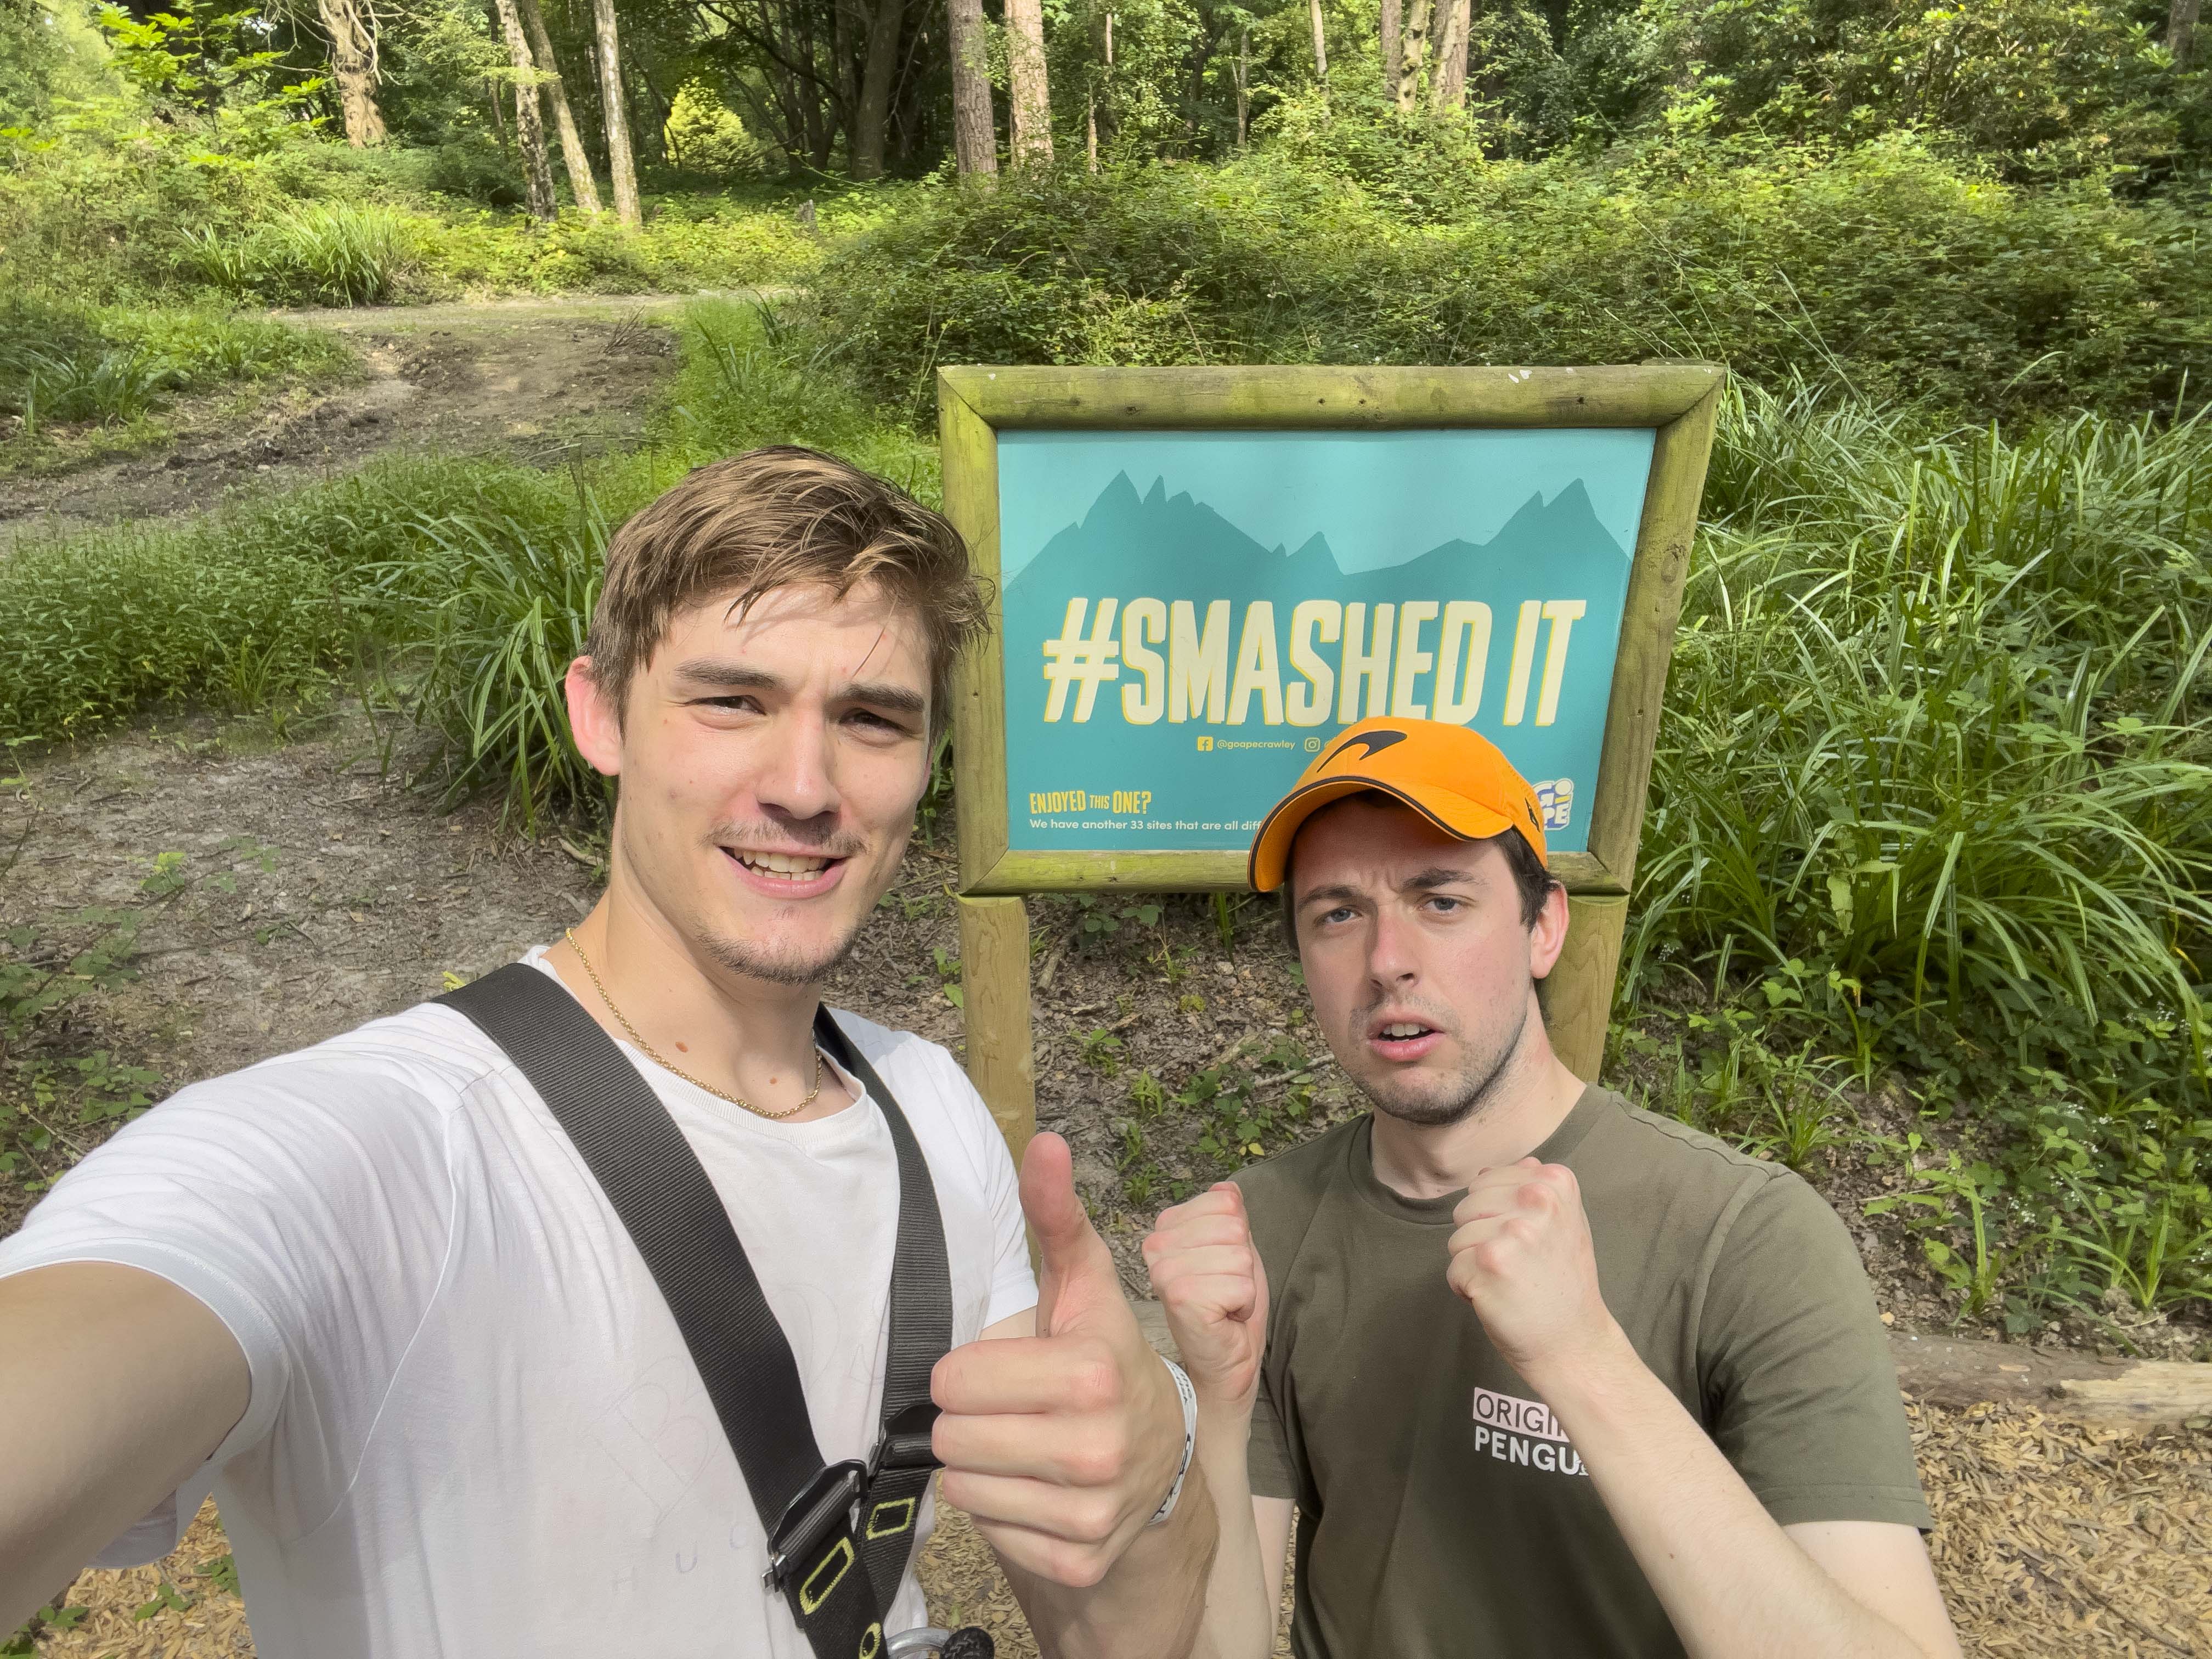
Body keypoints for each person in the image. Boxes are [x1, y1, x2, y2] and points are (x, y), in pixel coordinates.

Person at [0, 448, 1213, 1658]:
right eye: (732, 700)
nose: (805, 785)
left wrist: (1157, 1477)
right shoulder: (375, 1150)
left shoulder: (933, 1110)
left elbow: (1114, 1632)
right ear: (600, 713)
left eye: (872, 718)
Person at [1144, 716, 1962, 1658]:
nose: (1386, 960)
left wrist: (1584, 1357)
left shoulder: (1744, 1236)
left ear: (1544, 928)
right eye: (1337, 914)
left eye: (1441, 900)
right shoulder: (1268, 1226)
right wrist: (1219, 1403)